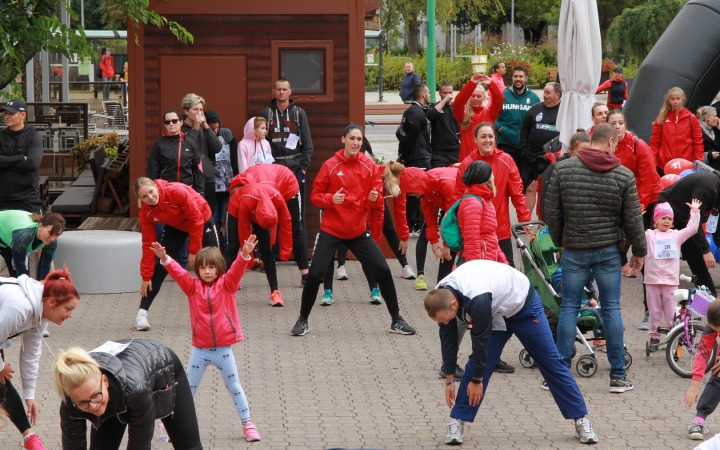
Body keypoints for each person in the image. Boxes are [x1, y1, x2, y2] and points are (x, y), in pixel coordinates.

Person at [425, 260, 598, 446]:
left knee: (551, 362)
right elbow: (448, 338)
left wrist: (477, 380)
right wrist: (449, 379)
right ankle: (458, 420)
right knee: (478, 363)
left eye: (447, 319)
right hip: (496, 309)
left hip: (523, 306)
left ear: (453, 304)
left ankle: (581, 419)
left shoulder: (477, 297)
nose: (445, 322)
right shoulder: (441, 294)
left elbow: (480, 341)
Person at [544, 123, 647, 393]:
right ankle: (617, 376)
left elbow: (551, 213)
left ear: (592, 141)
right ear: (611, 141)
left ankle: (557, 375)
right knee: (611, 309)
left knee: (568, 309)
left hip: (574, 250)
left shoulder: (563, 170)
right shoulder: (623, 175)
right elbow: (633, 219)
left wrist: (560, 241)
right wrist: (639, 252)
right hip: (607, 252)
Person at [291, 124, 416, 337]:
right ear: (343, 140)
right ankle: (302, 320)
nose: (355, 143)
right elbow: (315, 196)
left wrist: (374, 199)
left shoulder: (369, 166)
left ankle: (396, 320)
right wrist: (331, 199)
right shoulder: (330, 165)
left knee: (383, 270)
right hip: (331, 229)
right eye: (352, 138)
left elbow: (375, 197)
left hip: (358, 231)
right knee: (315, 275)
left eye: (359, 139)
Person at [151, 237, 261, 442]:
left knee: (234, 387)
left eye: (211, 267)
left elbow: (237, 270)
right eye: (203, 268)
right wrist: (164, 257)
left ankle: (248, 424)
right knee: (187, 390)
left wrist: (244, 254)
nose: (207, 271)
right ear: (198, 270)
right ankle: (168, 425)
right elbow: (178, 273)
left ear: (219, 268)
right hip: (199, 351)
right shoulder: (192, 287)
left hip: (223, 350)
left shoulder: (228, 284)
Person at [54, 340, 204, 450]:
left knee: (189, 447)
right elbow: (73, 446)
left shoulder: (136, 391)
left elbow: (140, 444)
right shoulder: (71, 402)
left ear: (105, 380)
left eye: (95, 396)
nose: (93, 406)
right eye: (83, 403)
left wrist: (94, 399)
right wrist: (93, 399)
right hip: (115, 390)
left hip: (160, 366)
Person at [1, 267, 80, 450]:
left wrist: (30, 394)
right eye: (68, 309)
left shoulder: (40, 313)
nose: (70, 315)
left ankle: (30, 439)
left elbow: (30, 355)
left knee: (1, 381)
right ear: (53, 301)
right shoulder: (20, 308)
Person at [321, 160, 416, 306]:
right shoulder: (371, 175)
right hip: (345, 202)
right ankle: (330, 286)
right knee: (336, 240)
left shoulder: (398, 181)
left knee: (372, 247)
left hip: (370, 203)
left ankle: (375, 288)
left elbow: (399, 211)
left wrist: (403, 237)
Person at [134, 178, 218, 331]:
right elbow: (148, 245)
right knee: (161, 264)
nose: (150, 198)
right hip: (177, 226)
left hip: (201, 218)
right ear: (140, 199)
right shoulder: (146, 212)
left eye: (151, 192)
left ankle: (218, 310)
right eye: (144, 197)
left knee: (213, 262)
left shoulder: (176, 191)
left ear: (156, 187)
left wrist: (194, 251)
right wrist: (146, 275)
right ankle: (142, 313)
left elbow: (196, 219)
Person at [606, 109, 664, 329]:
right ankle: (606, 309)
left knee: (646, 258)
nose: (618, 126)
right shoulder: (606, 146)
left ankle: (650, 312)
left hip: (646, 204)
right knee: (612, 252)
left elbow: (650, 181)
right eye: (614, 123)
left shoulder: (638, 145)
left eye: (621, 122)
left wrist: (636, 207)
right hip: (621, 207)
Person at [452, 123, 531, 267]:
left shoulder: (506, 160)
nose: (487, 140)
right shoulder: (468, 163)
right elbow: (458, 198)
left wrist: (524, 218)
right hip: (475, 231)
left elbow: (517, 193)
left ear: (495, 138)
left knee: (507, 271)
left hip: (500, 229)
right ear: (475, 139)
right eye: (483, 137)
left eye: (490, 136)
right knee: (477, 272)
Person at [260, 78, 314, 270]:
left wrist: (303, 169)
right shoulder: (266, 113)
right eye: (278, 89)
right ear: (273, 91)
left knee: (297, 215)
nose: (282, 93)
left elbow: (308, 144)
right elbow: (260, 142)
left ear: (290, 92)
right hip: (272, 170)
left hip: (294, 169)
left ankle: (302, 258)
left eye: (285, 89)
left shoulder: (299, 113)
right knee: (270, 213)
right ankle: (271, 256)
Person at [229, 163, 309, 284]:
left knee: (295, 228)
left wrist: (283, 252)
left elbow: (275, 222)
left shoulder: (265, 191)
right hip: (267, 181)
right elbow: (244, 229)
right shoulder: (241, 187)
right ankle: (233, 277)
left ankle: (305, 274)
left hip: (287, 183)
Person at [644, 200, 701, 350]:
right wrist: (636, 217)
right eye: (663, 218)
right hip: (652, 281)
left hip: (670, 281)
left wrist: (694, 212)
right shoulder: (649, 235)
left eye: (669, 218)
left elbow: (692, 229)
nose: (667, 221)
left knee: (671, 313)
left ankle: (673, 336)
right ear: (656, 220)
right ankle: (654, 337)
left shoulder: (676, 236)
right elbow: (635, 234)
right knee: (654, 311)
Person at [225, 182, 292, 306]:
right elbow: (244, 230)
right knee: (233, 248)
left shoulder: (278, 199)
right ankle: (221, 289)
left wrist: (286, 251)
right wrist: (249, 261)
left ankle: (275, 292)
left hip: (263, 208)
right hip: (238, 205)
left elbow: (287, 224)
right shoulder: (246, 203)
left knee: (267, 250)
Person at [655, 171, 720, 296]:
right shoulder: (707, 187)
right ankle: (652, 305)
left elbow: (715, 223)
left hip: (687, 221)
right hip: (668, 216)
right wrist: (705, 251)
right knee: (660, 262)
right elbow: (694, 221)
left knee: (699, 267)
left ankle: (712, 309)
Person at [519, 82, 562, 213]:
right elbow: (524, 128)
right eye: (544, 92)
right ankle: (526, 222)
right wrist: (524, 149)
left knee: (549, 191)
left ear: (558, 95)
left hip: (552, 159)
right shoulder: (535, 109)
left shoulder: (564, 111)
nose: (544, 95)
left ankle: (546, 222)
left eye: (548, 93)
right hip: (532, 156)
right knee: (531, 187)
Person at [399, 83, 432, 236]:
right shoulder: (417, 113)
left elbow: (403, 136)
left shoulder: (412, 112)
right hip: (418, 158)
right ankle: (417, 225)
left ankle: (414, 224)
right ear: (423, 94)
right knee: (417, 192)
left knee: (413, 191)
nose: (430, 95)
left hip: (414, 157)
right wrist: (404, 156)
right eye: (429, 93)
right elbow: (410, 138)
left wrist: (403, 155)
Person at [181, 93, 222, 214]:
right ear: (186, 111)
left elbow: (217, 147)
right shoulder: (181, 128)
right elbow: (186, 150)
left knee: (208, 212)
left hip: (207, 174)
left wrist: (205, 126)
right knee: (193, 212)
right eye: (195, 109)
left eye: (201, 110)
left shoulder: (204, 128)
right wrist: (195, 129)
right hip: (191, 176)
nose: (199, 113)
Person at [684, 300, 720, 440]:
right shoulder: (712, 326)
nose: (717, 333)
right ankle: (698, 421)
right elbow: (703, 353)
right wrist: (695, 384)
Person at [494, 66, 541, 173]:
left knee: (523, 177)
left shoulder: (534, 98)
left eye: (521, 76)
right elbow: (493, 116)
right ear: (512, 78)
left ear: (526, 78)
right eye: (515, 76)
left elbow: (538, 120)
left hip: (525, 146)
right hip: (505, 143)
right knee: (505, 174)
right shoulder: (503, 95)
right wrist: (500, 128)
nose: (518, 79)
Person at [0, 99, 43, 213]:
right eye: (6, 113)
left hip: (28, 198)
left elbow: (32, 164)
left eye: (11, 113)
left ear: (22, 115)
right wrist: (20, 158)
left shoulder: (33, 136)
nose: (7, 117)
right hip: (3, 198)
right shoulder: (1, 136)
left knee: (34, 229)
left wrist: (5, 162)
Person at [650, 87, 704, 175]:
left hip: (685, 166)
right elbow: (654, 142)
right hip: (664, 164)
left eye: (678, 99)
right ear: (669, 101)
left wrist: (698, 163)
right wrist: (653, 162)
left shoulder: (691, 118)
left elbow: (698, 142)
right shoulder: (662, 118)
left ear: (683, 100)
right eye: (672, 99)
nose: (675, 102)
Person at [146, 109, 204, 193]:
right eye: (167, 122)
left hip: (187, 190)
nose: (171, 124)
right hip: (167, 190)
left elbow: (198, 169)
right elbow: (152, 171)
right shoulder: (158, 144)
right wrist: (153, 191)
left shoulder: (190, 143)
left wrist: (200, 192)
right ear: (165, 125)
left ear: (181, 122)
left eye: (174, 121)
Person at [205, 110, 236, 253]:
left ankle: (227, 252)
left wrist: (236, 180)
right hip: (210, 184)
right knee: (213, 218)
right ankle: (214, 252)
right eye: (212, 129)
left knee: (224, 219)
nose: (215, 131)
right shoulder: (202, 134)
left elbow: (234, 158)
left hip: (226, 183)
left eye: (217, 127)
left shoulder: (227, 133)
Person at [453, 73, 503, 162]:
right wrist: (472, 83)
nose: (475, 98)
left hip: (488, 159)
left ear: (484, 98)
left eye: (479, 96)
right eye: (473, 95)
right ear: (469, 97)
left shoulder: (490, 113)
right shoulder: (463, 114)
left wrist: (491, 84)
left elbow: (499, 99)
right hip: (468, 160)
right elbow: (457, 103)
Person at [0, 210, 64, 280]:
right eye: (50, 232)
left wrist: (40, 286)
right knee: (20, 276)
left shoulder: (52, 242)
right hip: (9, 233)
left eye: (57, 234)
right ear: (40, 226)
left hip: (9, 238)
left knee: (16, 276)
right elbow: (20, 266)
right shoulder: (24, 235)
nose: (52, 238)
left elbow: (44, 266)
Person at [426, 81, 460, 168]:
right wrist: (444, 101)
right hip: (439, 152)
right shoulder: (434, 106)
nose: (448, 95)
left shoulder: (456, 107)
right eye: (445, 93)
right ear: (440, 93)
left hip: (455, 150)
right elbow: (430, 116)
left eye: (450, 92)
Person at [697, 106, 720, 170]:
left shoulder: (715, 130)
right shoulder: (697, 131)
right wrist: (708, 155)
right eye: (715, 116)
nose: (717, 119)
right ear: (707, 118)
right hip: (705, 169)